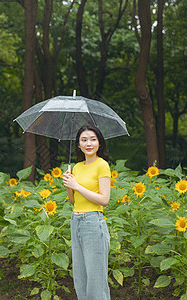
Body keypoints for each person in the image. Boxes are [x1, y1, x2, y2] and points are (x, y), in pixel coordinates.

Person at [62, 124, 111, 300]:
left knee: (96, 280)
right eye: (84, 140)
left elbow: (104, 200)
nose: (88, 143)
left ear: (99, 143)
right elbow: (74, 200)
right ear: (78, 145)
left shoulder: (102, 165)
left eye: (92, 139)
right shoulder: (76, 167)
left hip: (93, 222)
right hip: (76, 221)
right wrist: (69, 184)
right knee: (80, 277)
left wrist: (77, 186)